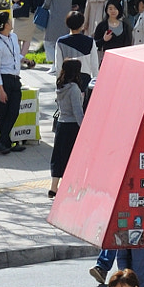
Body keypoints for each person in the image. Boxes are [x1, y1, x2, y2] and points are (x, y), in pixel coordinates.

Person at [49, 57, 88, 197]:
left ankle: (53, 187)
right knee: (71, 157)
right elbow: (77, 111)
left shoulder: (60, 86)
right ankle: (69, 187)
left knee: (58, 156)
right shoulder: (74, 89)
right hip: (72, 126)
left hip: (61, 124)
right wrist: (85, 128)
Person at [0, 11, 26, 154]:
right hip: (4, 80)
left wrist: (25, 60)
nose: (11, 23)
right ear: (5, 25)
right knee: (4, 113)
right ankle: (5, 142)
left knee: (14, 111)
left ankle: (3, 142)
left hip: (15, 78)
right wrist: (0, 89)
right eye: (9, 21)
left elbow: (15, 55)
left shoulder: (14, 37)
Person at [42, 0, 74, 65]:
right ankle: (60, 62)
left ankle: (55, 63)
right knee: (62, 42)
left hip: (54, 18)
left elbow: (47, 3)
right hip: (66, 19)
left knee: (49, 42)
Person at [55, 10, 96, 80]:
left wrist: (58, 81)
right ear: (82, 25)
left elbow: (58, 65)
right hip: (85, 78)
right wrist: (95, 80)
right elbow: (94, 64)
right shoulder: (90, 41)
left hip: (67, 78)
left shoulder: (61, 42)